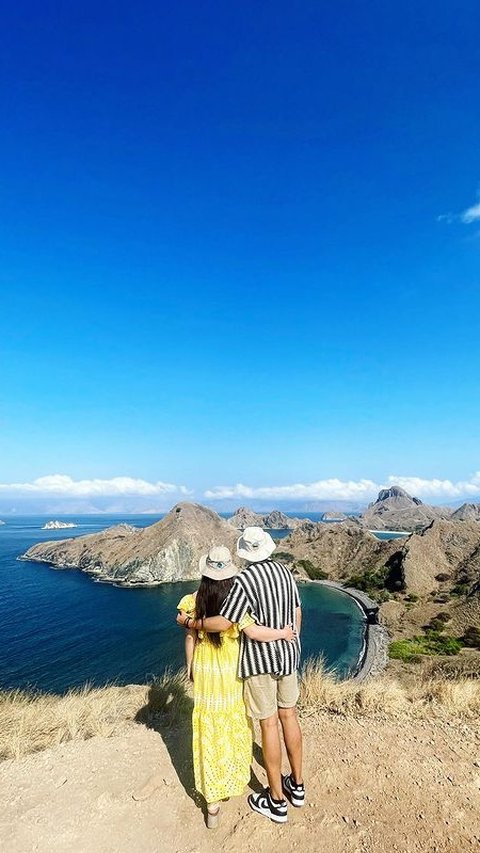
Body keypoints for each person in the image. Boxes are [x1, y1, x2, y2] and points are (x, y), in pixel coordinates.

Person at [178, 528, 304, 825]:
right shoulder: (286, 572)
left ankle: (275, 800)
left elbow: (224, 622)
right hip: (289, 656)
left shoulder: (245, 581)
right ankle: (297, 786)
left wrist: (189, 622)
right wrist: (291, 638)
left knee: (268, 724)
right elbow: (297, 611)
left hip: (260, 662)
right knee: (290, 717)